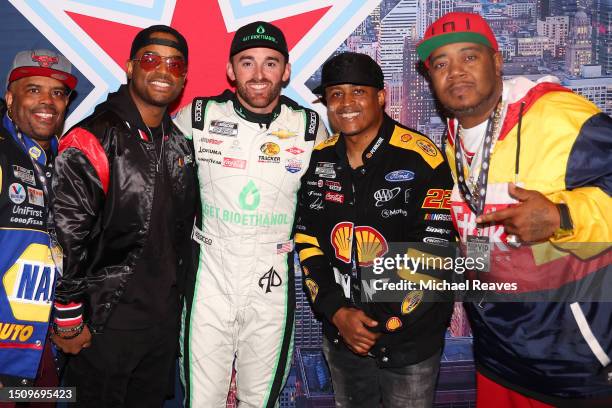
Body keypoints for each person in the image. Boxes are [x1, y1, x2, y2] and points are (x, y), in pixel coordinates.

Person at [418, 12, 612, 407]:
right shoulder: (454, 135)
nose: (455, 72)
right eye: (441, 64)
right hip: (496, 356)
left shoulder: (561, 118)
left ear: (497, 61)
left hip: (570, 365)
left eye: (468, 57)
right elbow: (476, 221)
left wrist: (563, 216)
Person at [173, 20, 328, 407]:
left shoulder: (309, 128)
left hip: (271, 279)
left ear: (286, 71)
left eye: (271, 63)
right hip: (210, 276)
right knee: (202, 400)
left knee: (260, 401)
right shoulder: (198, 117)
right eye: (247, 62)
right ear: (230, 70)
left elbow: (328, 208)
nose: (259, 74)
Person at [294, 52, 455, 407]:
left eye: (358, 92)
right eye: (336, 94)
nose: (346, 103)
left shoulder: (422, 158)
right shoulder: (319, 159)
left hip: (409, 342)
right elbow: (307, 241)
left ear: (380, 97)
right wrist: (338, 314)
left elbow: (437, 252)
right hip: (342, 339)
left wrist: (379, 323)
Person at [50, 25, 197, 406]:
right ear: (130, 66)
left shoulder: (179, 143)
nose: (163, 70)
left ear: (184, 77)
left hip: (161, 327)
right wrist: (69, 317)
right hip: (104, 325)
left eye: (175, 64)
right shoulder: (93, 137)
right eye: (151, 59)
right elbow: (66, 236)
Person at [0, 49, 75, 403]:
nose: (47, 101)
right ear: (10, 98)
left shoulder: (68, 161)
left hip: (44, 346)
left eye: (57, 92)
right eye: (33, 90)